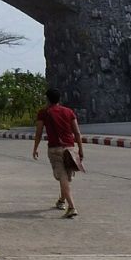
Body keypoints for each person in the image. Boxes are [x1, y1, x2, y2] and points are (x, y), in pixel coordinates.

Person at [32, 87, 85, 218]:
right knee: (66, 177)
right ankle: (61, 201)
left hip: (55, 149)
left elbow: (38, 132)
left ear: (48, 99)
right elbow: (77, 132)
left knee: (62, 177)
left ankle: (72, 207)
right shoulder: (68, 112)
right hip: (70, 149)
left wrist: (35, 148)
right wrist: (80, 150)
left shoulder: (43, 112)